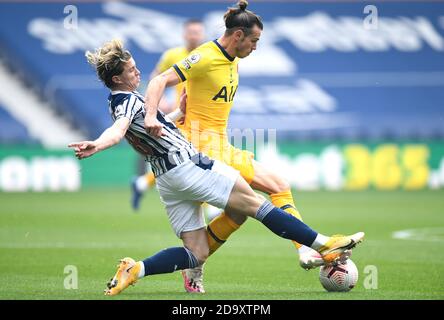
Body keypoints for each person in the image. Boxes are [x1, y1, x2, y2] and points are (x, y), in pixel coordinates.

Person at [68, 39, 364, 296]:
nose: (138, 71)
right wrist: (98, 143)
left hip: (167, 179)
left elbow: (145, 128)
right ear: (118, 78)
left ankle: (135, 270)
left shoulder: (118, 101)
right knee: (256, 203)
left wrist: (177, 112)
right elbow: (119, 131)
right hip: (188, 166)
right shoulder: (131, 101)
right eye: (131, 70)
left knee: (197, 253)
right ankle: (322, 243)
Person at [144, 0, 326, 293]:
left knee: (271, 190)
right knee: (251, 202)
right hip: (199, 150)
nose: (256, 46)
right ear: (238, 35)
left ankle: (303, 250)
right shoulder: (203, 56)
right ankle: (311, 245)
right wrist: (152, 116)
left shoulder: (232, 60)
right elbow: (159, 81)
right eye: (254, 40)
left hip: (222, 146)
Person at [131, 19, 206, 211]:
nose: (194, 36)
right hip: (183, 114)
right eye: (191, 32)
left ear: (203, 34)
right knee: (199, 157)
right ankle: (212, 207)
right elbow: (156, 77)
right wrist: (160, 101)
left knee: (190, 158)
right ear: (184, 34)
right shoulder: (173, 55)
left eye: (197, 32)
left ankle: (141, 184)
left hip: (202, 113)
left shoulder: (208, 54)